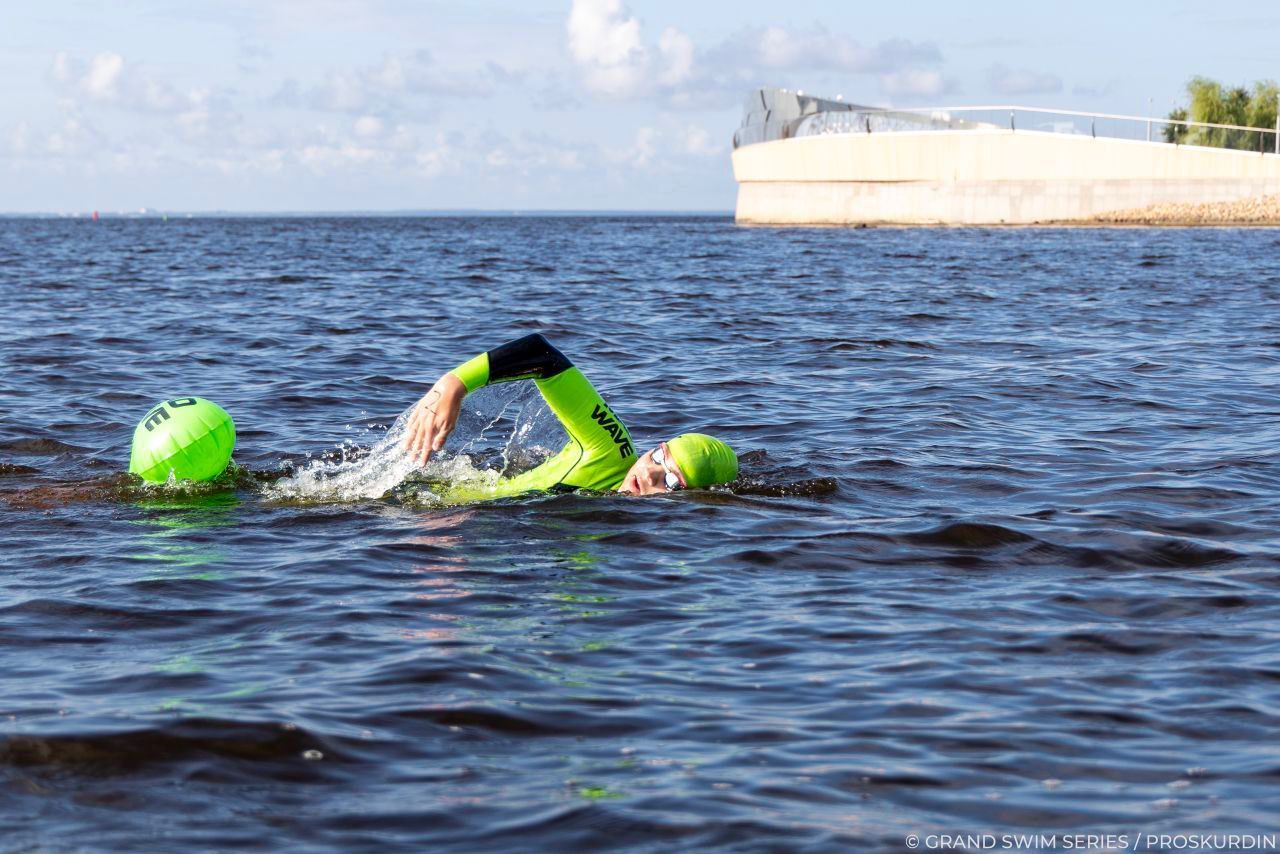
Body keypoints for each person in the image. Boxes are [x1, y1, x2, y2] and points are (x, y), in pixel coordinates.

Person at [405, 333, 737, 497]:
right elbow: (541, 353)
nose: (648, 473)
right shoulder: (610, 449)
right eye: (657, 457)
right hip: (427, 499)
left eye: (669, 482)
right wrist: (454, 385)